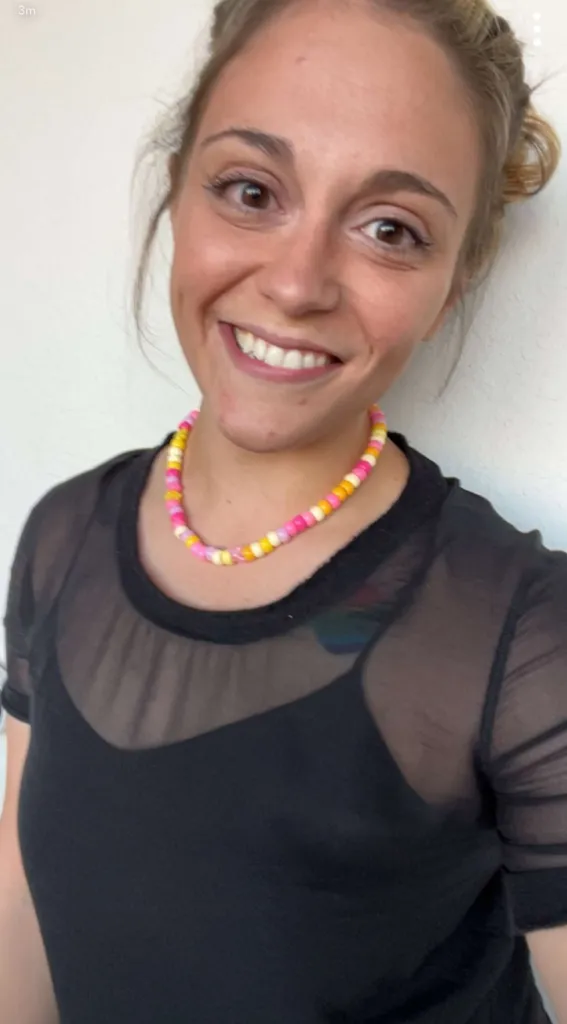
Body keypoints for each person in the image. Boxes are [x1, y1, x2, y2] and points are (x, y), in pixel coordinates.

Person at [0, 0, 566, 1020]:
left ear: (454, 279)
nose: (298, 283)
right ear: (179, 190)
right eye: (251, 190)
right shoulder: (61, 537)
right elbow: (22, 900)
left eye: (391, 229)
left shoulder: (519, 635)